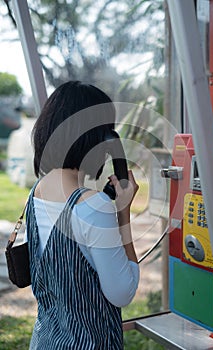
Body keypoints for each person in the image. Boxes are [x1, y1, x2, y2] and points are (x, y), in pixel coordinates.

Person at [25, 81, 140, 349]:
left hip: (46, 340)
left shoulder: (38, 191)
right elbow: (122, 292)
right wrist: (123, 213)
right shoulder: (93, 205)